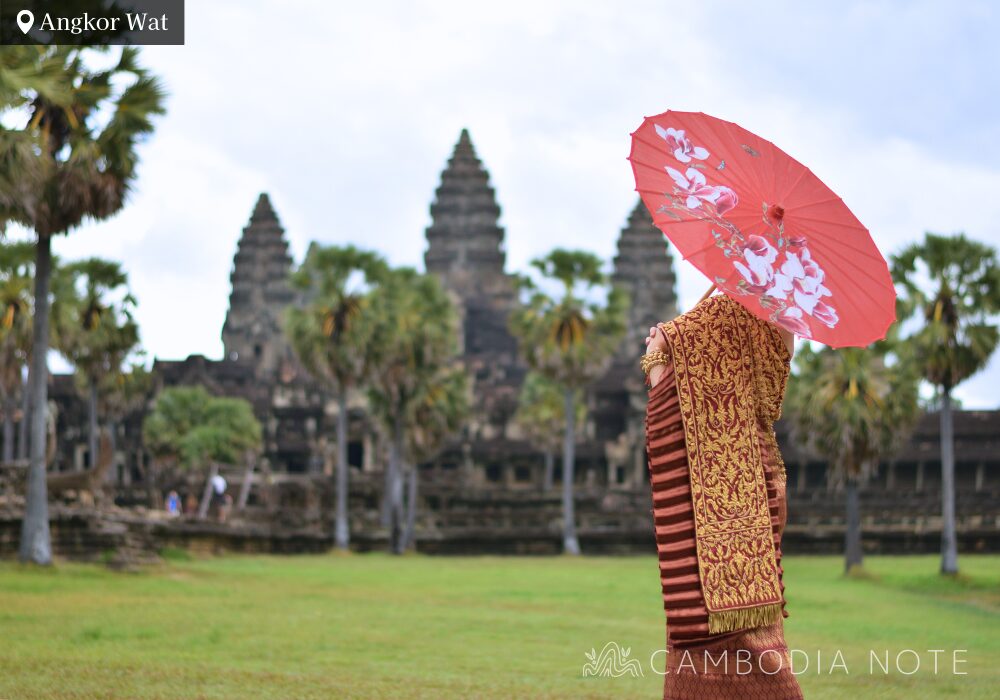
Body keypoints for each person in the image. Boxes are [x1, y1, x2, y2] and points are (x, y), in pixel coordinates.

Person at [642, 289, 803, 699]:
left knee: (711, 633)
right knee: (757, 631)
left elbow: (664, 400)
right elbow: (769, 401)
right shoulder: (786, 312)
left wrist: (659, 349)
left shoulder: (709, 314)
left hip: (707, 489)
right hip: (759, 478)